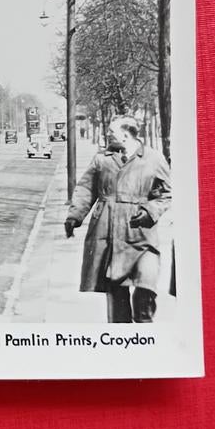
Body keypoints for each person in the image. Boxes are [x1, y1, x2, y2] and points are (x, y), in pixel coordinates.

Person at [64, 115, 171, 323]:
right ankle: (122, 343)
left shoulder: (153, 158)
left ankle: (146, 335)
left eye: (111, 131)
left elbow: (167, 193)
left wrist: (150, 211)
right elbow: (86, 189)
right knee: (117, 299)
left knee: (145, 288)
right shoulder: (102, 159)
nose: (107, 133)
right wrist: (74, 216)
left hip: (142, 235)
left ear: (125, 134)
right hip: (109, 233)